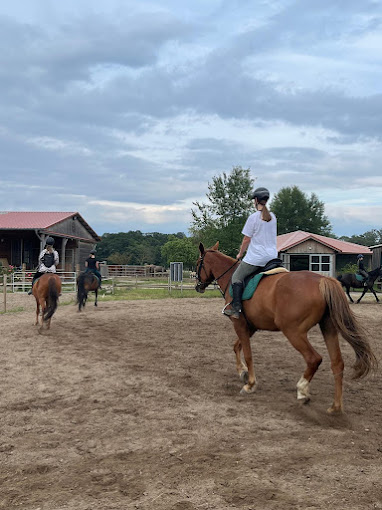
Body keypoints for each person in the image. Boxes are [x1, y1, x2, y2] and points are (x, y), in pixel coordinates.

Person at [224, 187, 277, 319]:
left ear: (257, 200)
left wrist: (240, 254)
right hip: (272, 257)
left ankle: (236, 308)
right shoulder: (273, 217)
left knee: (236, 278)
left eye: (254, 200)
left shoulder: (253, 218)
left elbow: (247, 238)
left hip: (256, 258)